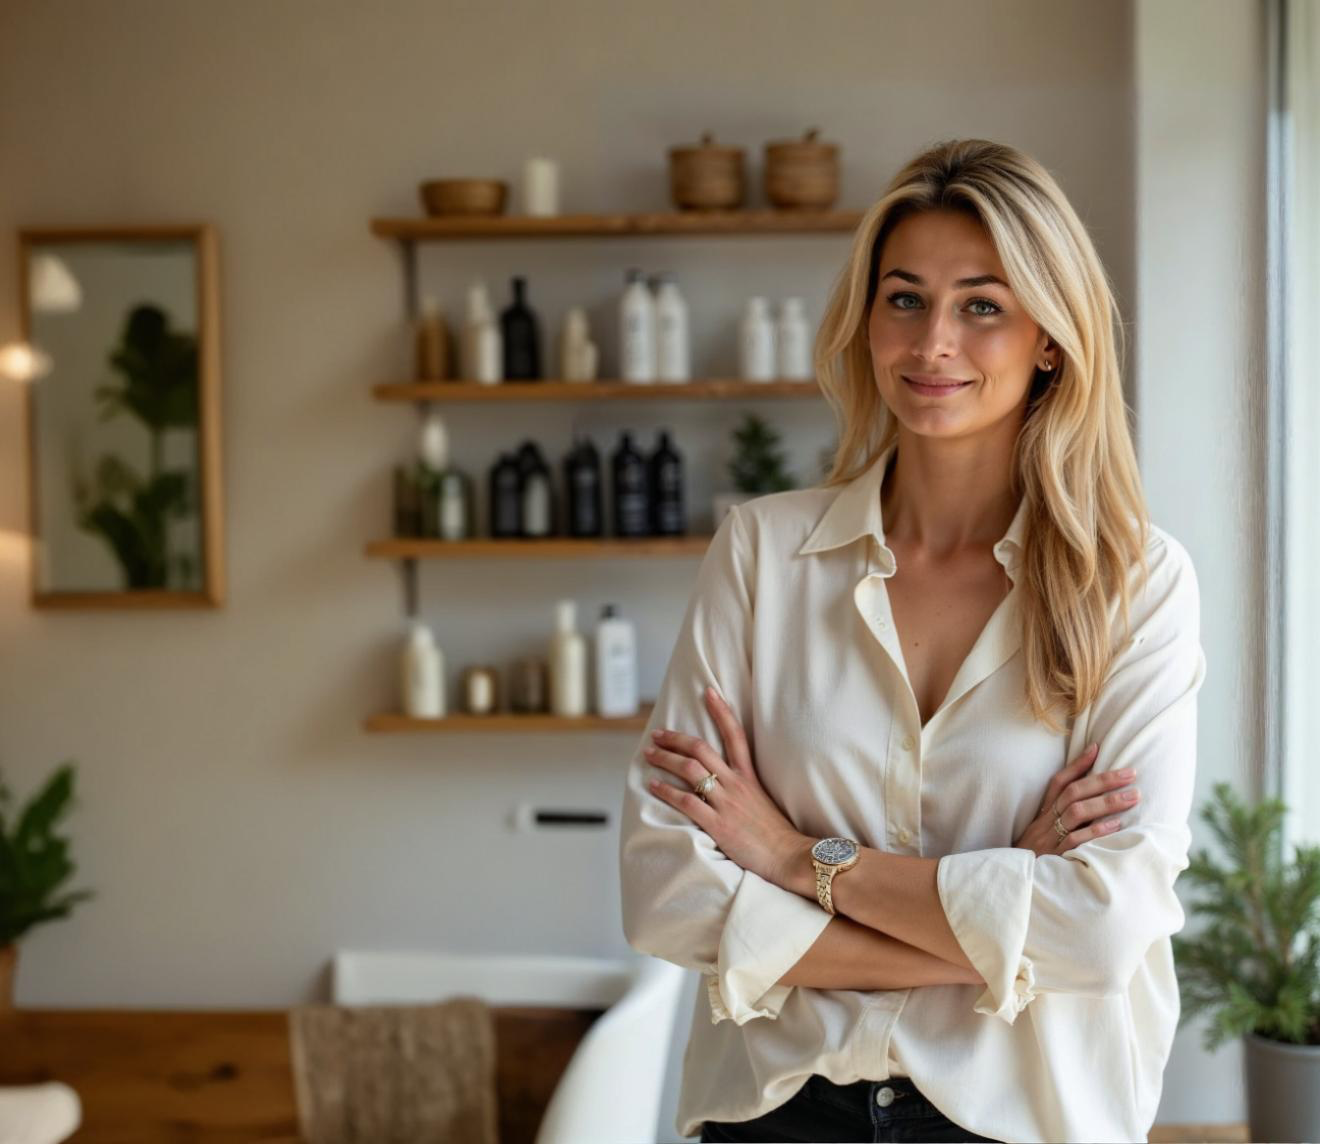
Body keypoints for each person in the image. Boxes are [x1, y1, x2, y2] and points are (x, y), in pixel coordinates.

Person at [616, 138, 1206, 1144]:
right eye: (904, 298)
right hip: (775, 1113)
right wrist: (997, 915)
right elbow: (669, 894)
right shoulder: (762, 553)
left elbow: (1106, 926)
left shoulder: (1135, 583)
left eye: (982, 303)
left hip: (1024, 1116)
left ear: (1051, 338)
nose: (933, 341)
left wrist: (800, 857)